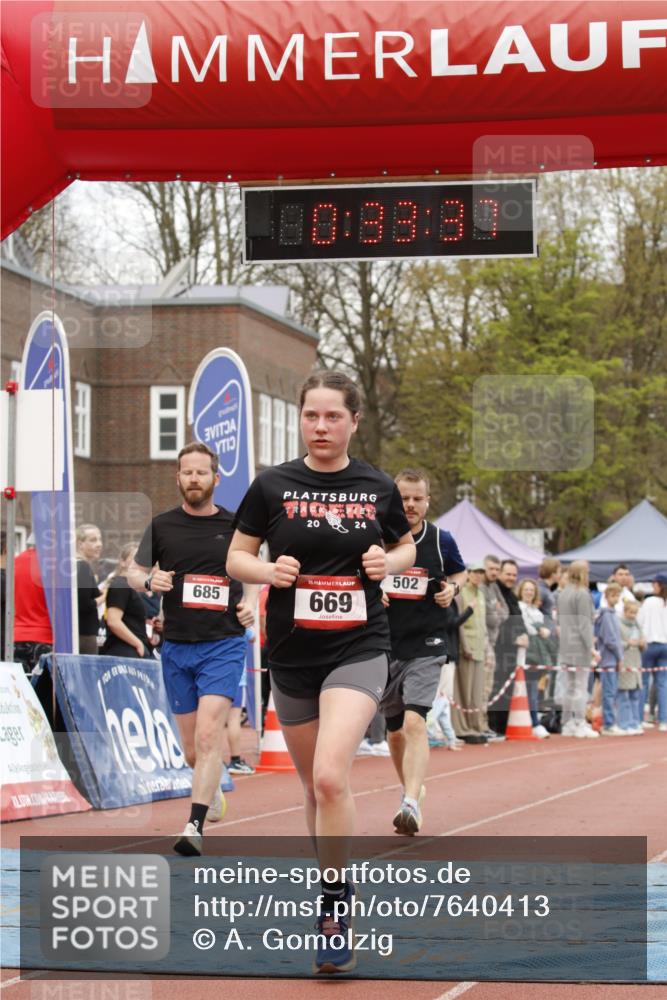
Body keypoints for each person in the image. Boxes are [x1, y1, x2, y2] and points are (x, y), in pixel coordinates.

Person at [226, 370, 415, 974]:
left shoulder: (376, 486)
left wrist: (388, 561)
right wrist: (266, 573)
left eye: (333, 416)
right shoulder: (271, 485)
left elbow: (407, 546)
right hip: (291, 651)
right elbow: (236, 556)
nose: (321, 426)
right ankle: (333, 880)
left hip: (359, 645)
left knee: (332, 778)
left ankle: (334, 908)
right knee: (312, 788)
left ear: (354, 421)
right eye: (311, 415)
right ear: (300, 419)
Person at [127, 442, 256, 856]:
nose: (194, 479)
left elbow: (254, 569)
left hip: (223, 643)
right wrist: (150, 582)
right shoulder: (162, 526)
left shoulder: (236, 526)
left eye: (201, 472)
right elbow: (133, 572)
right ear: (178, 477)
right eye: (187, 472)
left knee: (207, 734)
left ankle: (193, 826)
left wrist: (250, 602)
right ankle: (210, 786)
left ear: (215, 478)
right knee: (190, 751)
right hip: (177, 646)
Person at [380, 468, 466, 832]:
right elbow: (357, 576)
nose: (410, 505)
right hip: (384, 644)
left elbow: (460, 573)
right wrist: (373, 592)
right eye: (404, 498)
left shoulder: (441, 540)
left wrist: (452, 590)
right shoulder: (378, 537)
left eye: (417, 498)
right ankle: (411, 789)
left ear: (428, 501)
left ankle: (411, 802)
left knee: (415, 721)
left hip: (427, 643)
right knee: (395, 732)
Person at [556, 560, 598, 738]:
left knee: (570, 686)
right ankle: (579, 722)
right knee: (580, 685)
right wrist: (592, 648)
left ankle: (567, 722)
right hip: (579, 646)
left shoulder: (563, 593)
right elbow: (584, 624)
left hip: (566, 645)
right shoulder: (582, 593)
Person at [487, 560, 529, 735]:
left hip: (512, 654)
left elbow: (519, 620)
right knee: (495, 690)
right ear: (500, 574)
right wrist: (514, 638)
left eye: (514, 575)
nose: (511, 577)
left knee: (508, 692)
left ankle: (503, 729)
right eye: (508, 574)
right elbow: (494, 622)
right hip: (498, 650)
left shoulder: (512, 596)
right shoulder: (493, 592)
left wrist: (525, 634)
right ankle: (493, 727)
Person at [450, 564, 489, 744]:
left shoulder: (481, 594)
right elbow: (459, 624)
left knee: (476, 691)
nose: (479, 575)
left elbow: (483, 623)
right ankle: (462, 728)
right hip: (467, 648)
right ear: (468, 573)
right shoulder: (461, 593)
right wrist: (465, 647)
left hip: (480, 648)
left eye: (481, 572)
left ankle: (476, 726)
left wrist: (485, 646)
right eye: (476, 572)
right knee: (463, 690)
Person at [517, 578, 556, 739]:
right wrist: (540, 629)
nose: (529, 592)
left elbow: (544, 631)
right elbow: (528, 627)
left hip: (537, 657)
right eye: (526, 589)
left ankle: (533, 721)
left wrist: (543, 631)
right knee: (527, 690)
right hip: (523, 655)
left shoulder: (537, 612)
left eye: (531, 590)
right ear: (520, 591)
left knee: (534, 690)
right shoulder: (519, 607)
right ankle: (532, 723)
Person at [102, 544, 154, 659]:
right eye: (136, 558)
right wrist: (137, 643)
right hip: (124, 650)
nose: (140, 562)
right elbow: (113, 621)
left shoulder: (131, 587)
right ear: (123, 562)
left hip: (133, 649)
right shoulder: (120, 585)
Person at [13, 536, 53, 674]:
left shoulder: (15, 562)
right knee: (43, 687)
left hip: (16, 637)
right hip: (45, 638)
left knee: (20, 686)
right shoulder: (52, 565)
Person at [595, 581, 626, 735]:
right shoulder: (606, 615)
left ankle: (610, 722)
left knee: (611, 692)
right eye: (613, 595)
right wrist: (620, 657)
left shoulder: (612, 615)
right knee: (608, 692)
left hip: (612, 659)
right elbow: (610, 640)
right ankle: (608, 724)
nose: (616, 598)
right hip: (608, 660)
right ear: (606, 596)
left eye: (618, 595)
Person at [637, 572, 667, 732]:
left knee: (643, 681)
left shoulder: (649, 602)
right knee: (663, 683)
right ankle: (664, 720)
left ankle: (639, 718)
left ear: (658, 585)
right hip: (665, 645)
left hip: (648, 644)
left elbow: (639, 621)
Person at [618, 598, 645, 735]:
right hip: (625, 663)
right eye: (631, 612)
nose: (633, 615)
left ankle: (635, 722)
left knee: (635, 696)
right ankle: (624, 723)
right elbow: (617, 643)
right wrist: (628, 643)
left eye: (635, 613)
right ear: (625, 611)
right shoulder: (619, 625)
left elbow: (643, 641)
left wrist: (642, 643)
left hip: (636, 663)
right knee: (624, 696)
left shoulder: (637, 625)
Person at [76, 524, 103, 654]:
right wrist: (105, 595)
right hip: (84, 636)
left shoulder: (75, 566)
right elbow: (85, 604)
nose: (99, 544)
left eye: (100, 539)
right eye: (93, 540)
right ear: (80, 543)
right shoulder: (83, 567)